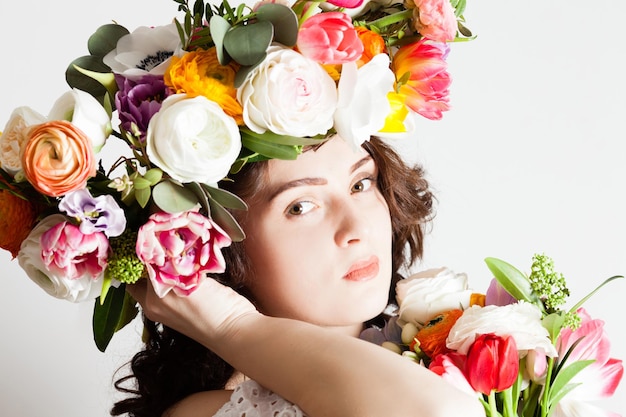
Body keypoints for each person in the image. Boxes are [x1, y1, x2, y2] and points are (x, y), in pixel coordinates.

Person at [111, 135, 486, 417]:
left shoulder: (464, 340)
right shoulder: (208, 412)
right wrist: (233, 325)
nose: (356, 226)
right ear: (221, 248)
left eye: (360, 184)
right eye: (301, 206)